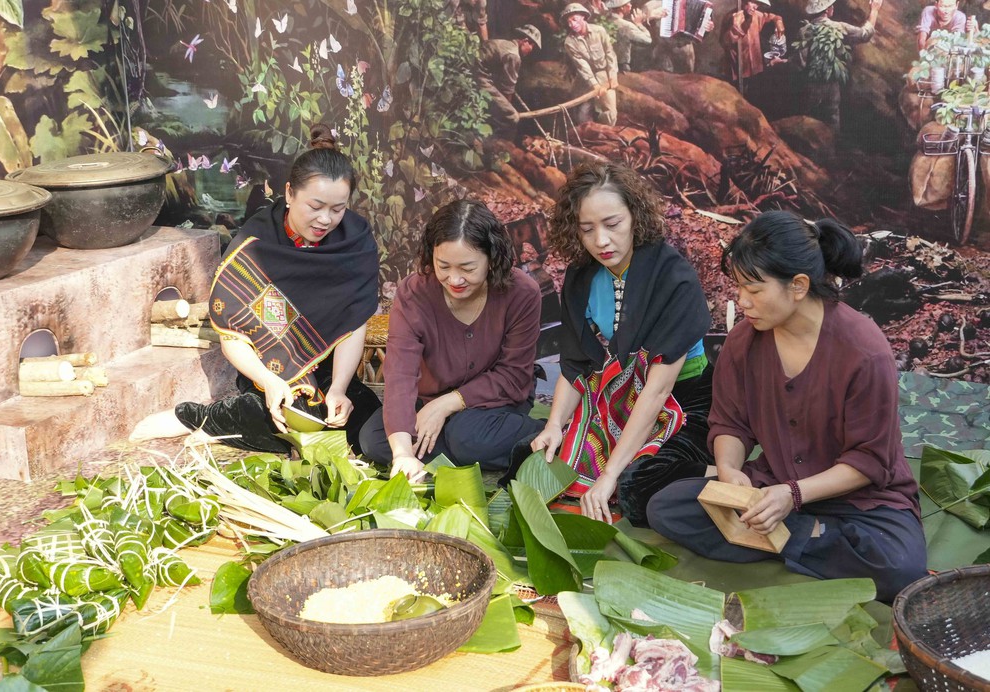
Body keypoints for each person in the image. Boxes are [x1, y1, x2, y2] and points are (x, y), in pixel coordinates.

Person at [647, 211, 927, 604]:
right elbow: (730, 423)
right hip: (772, 488)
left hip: (859, 503)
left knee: (900, 568)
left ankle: (789, 536)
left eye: (754, 290)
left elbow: (868, 461)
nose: (742, 302)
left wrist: (791, 497)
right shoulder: (743, 343)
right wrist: (729, 470)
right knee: (666, 507)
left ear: (798, 286)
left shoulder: (864, 351)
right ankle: (801, 539)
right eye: (739, 287)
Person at [130, 125, 381, 455]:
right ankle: (198, 419)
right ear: (290, 193)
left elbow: (353, 324)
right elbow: (234, 336)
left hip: (326, 367)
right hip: (269, 369)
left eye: (338, 209)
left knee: (366, 422)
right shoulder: (255, 246)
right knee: (281, 415)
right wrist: (271, 382)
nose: (326, 220)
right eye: (315, 206)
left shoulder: (354, 240)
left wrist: (339, 388)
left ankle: (241, 425)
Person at [523, 162, 714, 526]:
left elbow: (658, 391)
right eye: (587, 229)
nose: (601, 241)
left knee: (634, 486)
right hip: (621, 394)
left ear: (635, 216)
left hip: (685, 398)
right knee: (535, 456)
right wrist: (554, 426)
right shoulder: (582, 276)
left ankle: (717, 471)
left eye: (612, 225)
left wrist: (610, 473)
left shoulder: (674, 279)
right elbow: (577, 365)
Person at [358, 200, 545, 481]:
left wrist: (445, 405)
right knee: (375, 439)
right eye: (443, 265)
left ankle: (541, 432)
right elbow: (400, 373)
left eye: (467, 268)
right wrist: (402, 454)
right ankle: (466, 451)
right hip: (429, 397)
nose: (454, 279)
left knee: (466, 435)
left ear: (492, 258)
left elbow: (513, 376)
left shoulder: (522, 293)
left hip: (494, 402)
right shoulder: (414, 292)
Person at [796, 0, 882, 133]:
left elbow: (800, 62)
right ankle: (831, 149)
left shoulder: (805, 30)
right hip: (832, 82)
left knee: (806, 117)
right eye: (831, 6)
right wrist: (874, 11)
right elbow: (865, 34)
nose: (832, 8)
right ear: (827, 10)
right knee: (831, 117)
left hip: (810, 83)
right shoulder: (838, 27)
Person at [561, 3, 620, 125]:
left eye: (574, 19)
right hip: (584, 81)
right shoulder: (570, 42)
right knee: (582, 116)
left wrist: (612, 77)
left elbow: (610, 54)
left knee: (610, 114)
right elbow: (582, 66)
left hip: (604, 76)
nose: (572, 24)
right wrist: (595, 85)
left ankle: (605, 137)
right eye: (569, 22)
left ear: (583, 16)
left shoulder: (599, 31)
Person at [476, 24, 542, 131]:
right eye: (532, 46)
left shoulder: (502, 43)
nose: (530, 51)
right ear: (525, 41)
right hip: (479, 77)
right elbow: (508, 89)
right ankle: (497, 139)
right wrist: (507, 107)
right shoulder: (514, 56)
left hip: (479, 73)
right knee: (512, 116)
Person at [720, 0, 786, 84]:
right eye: (752, 2)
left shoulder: (757, 15)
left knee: (754, 91)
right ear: (743, 2)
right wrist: (736, 28)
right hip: (737, 70)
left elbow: (772, 16)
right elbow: (724, 42)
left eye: (757, 4)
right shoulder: (730, 17)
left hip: (755, 68)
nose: (755, 7)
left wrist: (778, 22)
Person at [606, 0, 653, 73]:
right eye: (628, 3)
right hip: (621, 68)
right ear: (621, 8)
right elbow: (647, 40)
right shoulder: (625, 25)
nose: (631, 5)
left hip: (608, 66)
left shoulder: (606, 20)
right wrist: (639, 24)